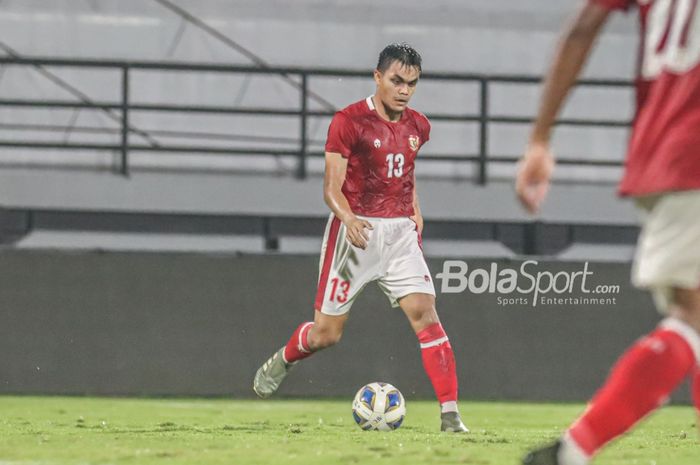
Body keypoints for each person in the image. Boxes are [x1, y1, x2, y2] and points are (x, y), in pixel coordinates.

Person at [515, 0, 700, 463]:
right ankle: (573, 450)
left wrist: (540, 137)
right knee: (692, 319)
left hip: (665, 152)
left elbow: (583, 27)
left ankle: (572, 451)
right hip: (688, 154)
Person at [253, 43, 468, 433]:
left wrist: (415, 208)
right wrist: (348, 217)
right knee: (326, 334)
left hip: (400, 233)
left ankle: (451, 415)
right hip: (355, 234)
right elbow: (330, 189)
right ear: (378, 77)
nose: (404, 90)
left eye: (412, 84)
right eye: (397, 81)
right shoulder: (348, 121)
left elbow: (404, 171)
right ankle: (284, 359)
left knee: (427, 315)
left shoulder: (419, 125)